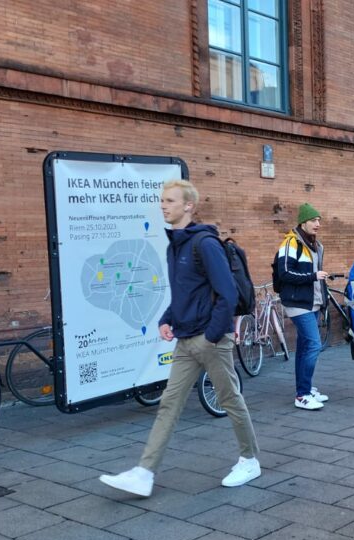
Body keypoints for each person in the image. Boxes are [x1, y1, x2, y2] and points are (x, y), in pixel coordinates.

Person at [99, 180, 261, 497]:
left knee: (230, 400)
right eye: (162, 200)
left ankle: (250, 459)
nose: (163, 205)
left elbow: (226, 294)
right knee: (169, 405)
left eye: (170, 200)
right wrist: (166, 319)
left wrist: (212, 335)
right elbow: (185, 293)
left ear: (189, 206)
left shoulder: (205, 244)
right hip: (186, 340)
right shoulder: (175, 245)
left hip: (210, 340)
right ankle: (144, 474)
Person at [274, 203, 331, 410]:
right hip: (298, 304)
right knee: (314, 344)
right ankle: (302, 395)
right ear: (303, 222)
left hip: (313, 302)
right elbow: (285, 273)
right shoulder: (290, 244)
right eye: (313, 220)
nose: (318, 224)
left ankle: (305, 388)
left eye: (319, 220)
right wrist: (312, 276)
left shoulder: (316, 245)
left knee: (304, 346)